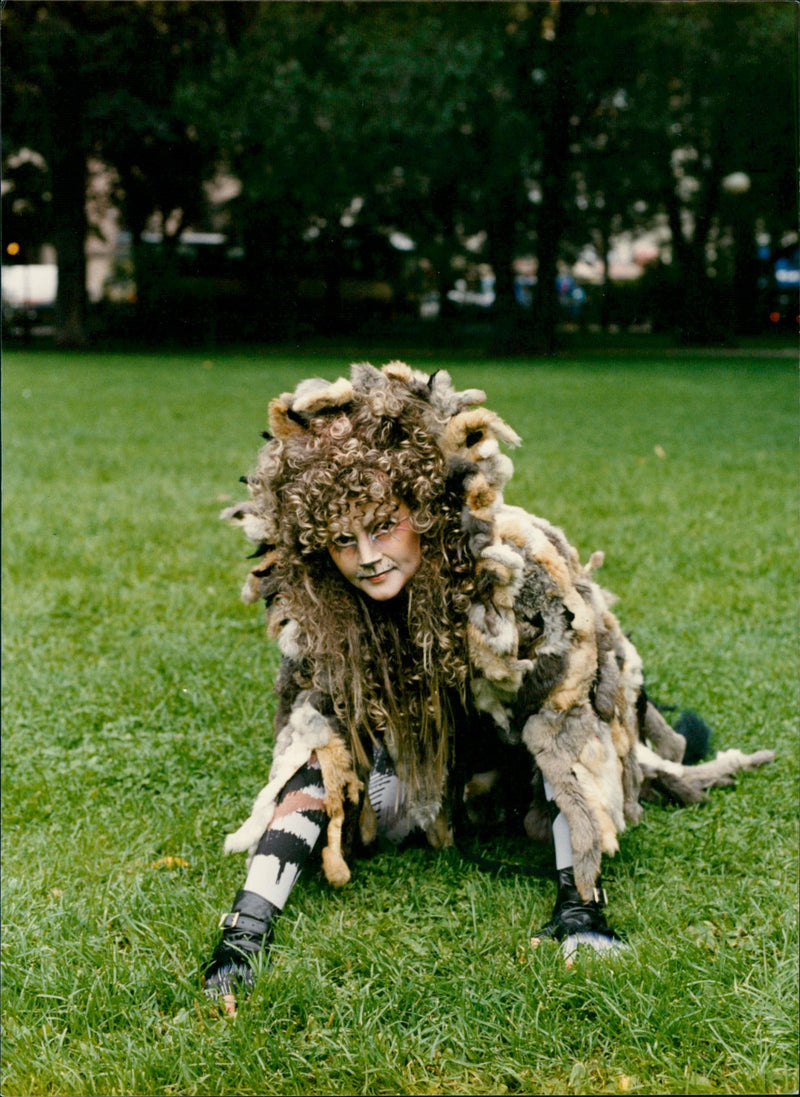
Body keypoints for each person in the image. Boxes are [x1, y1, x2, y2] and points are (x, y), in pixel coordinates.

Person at [203, 361, 772, 1014]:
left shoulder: (513, 575)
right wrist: (245, 931)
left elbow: (568, 726)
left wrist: (579, 909)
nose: (367, 556)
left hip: (528, 719)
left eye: (384, 523)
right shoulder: (330, 613)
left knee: (658, 742)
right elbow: (315, 752)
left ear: (424, 504)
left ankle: (655, 734)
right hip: (445, 745)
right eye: (340, 539)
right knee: (351, 761)